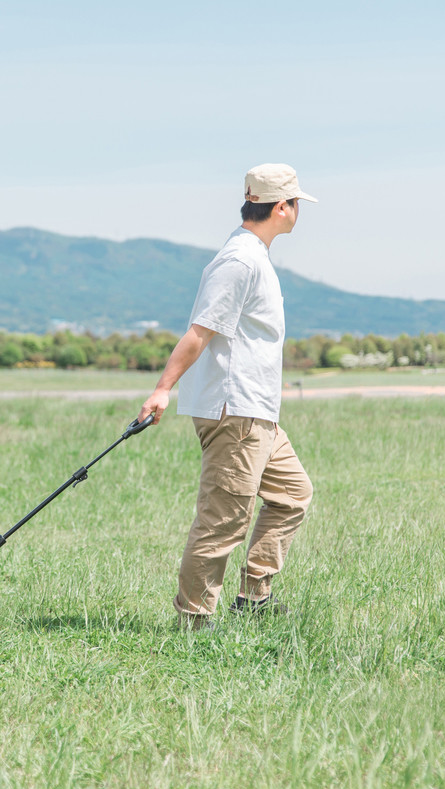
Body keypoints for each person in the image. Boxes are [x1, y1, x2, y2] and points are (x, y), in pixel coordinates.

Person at [138, 163, 316, 631]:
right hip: (234, 410)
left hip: (257, 411)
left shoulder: (255, 257)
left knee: (293, 494)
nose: (299, 212)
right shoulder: (239, 261)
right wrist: (162, 389)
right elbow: (199, 332)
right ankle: (195, 621)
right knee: (224, 521)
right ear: (282, 207)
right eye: (297, 203)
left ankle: (254, 597)